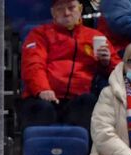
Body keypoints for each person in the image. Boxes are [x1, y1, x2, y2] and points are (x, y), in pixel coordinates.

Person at [19, 0, 120, 133]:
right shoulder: (39, 34)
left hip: (78, 99)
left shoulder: (95, 37)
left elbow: (119, 70)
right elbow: (33, 64)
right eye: (60, 9)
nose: (66, 13)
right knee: (40, 109)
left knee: (90, 103)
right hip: (44, 97)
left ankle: (85, 153)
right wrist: (42, 89)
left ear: (80, 9)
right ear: (53, 13)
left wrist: (106, 62)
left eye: (71, 8)